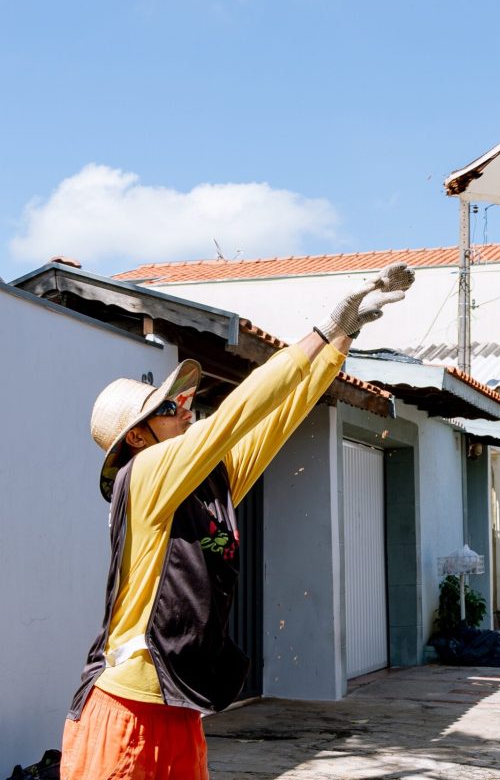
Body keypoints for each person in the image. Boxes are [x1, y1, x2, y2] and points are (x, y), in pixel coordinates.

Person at [60, 263, 415, 780]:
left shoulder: (207, 481)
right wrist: (318, 331)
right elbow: (238, 415)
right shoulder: (143, 473)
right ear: (137, 438)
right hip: (126, 705)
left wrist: (342, 340)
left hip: (176, 702)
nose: (187, 408)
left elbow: (277, 420)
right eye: (169, 407)